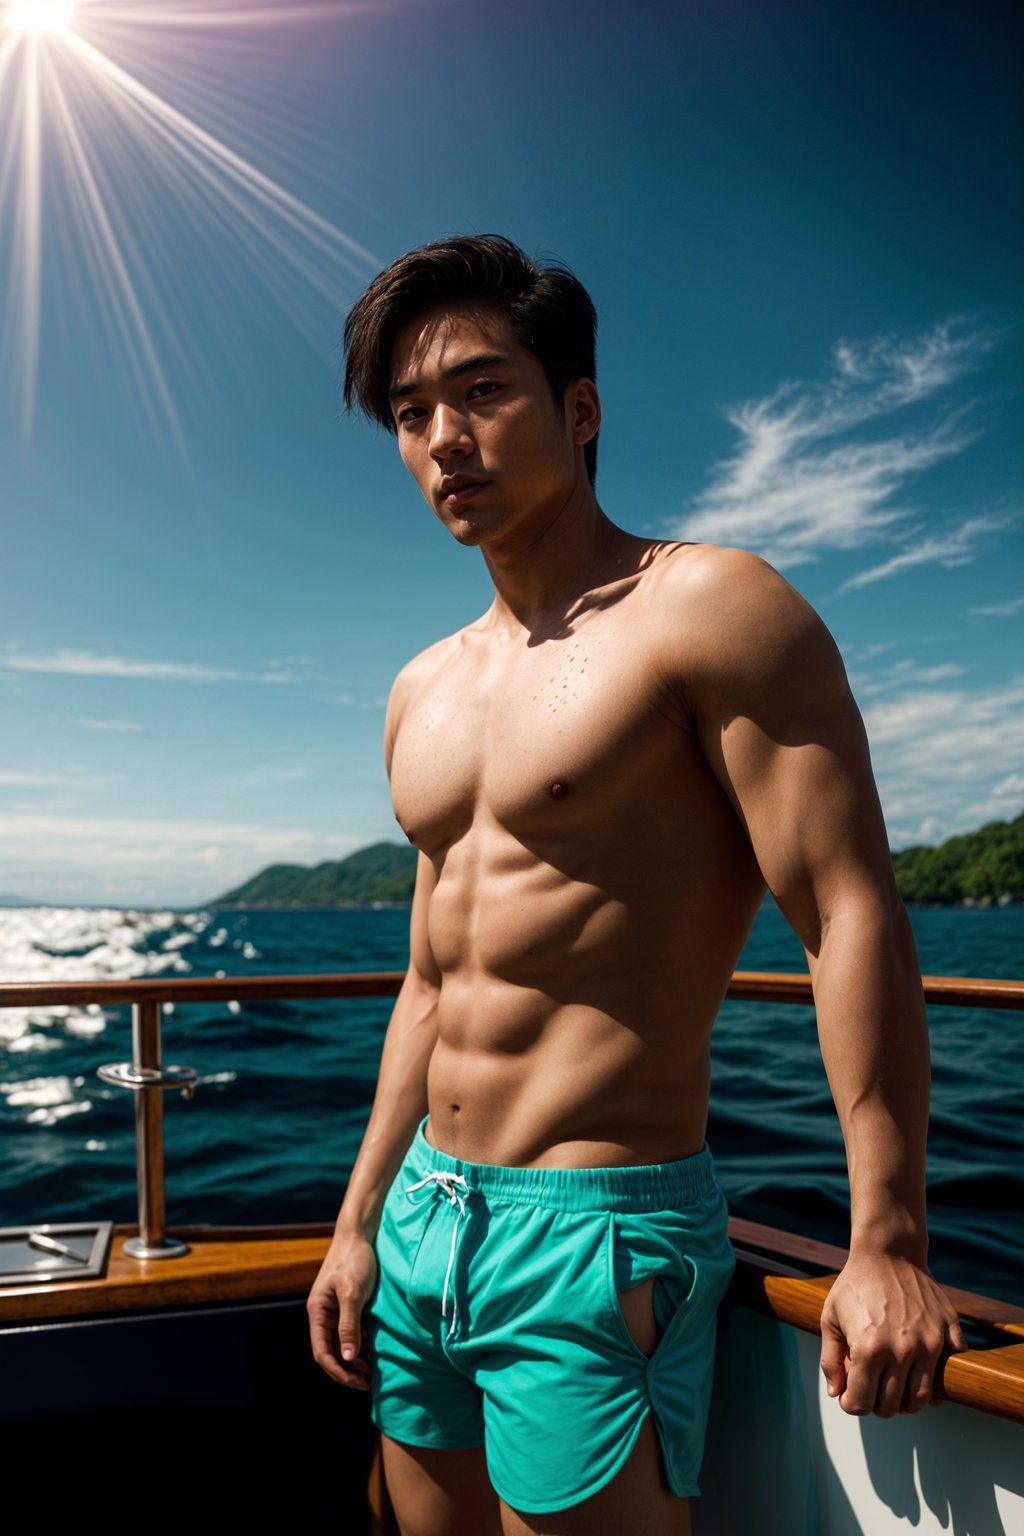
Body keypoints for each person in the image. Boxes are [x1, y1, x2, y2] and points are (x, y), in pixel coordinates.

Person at [307, 234, 966, 1536]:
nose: (445, 436)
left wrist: (886, 1239)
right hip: (426, 1217)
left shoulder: (709, 609)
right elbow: (434, 978)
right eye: (410, 411)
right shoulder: (422, 689)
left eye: (484, 390)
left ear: (582, 408)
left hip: (595, 1235)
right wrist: (358, 1220)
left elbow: (846, 916)